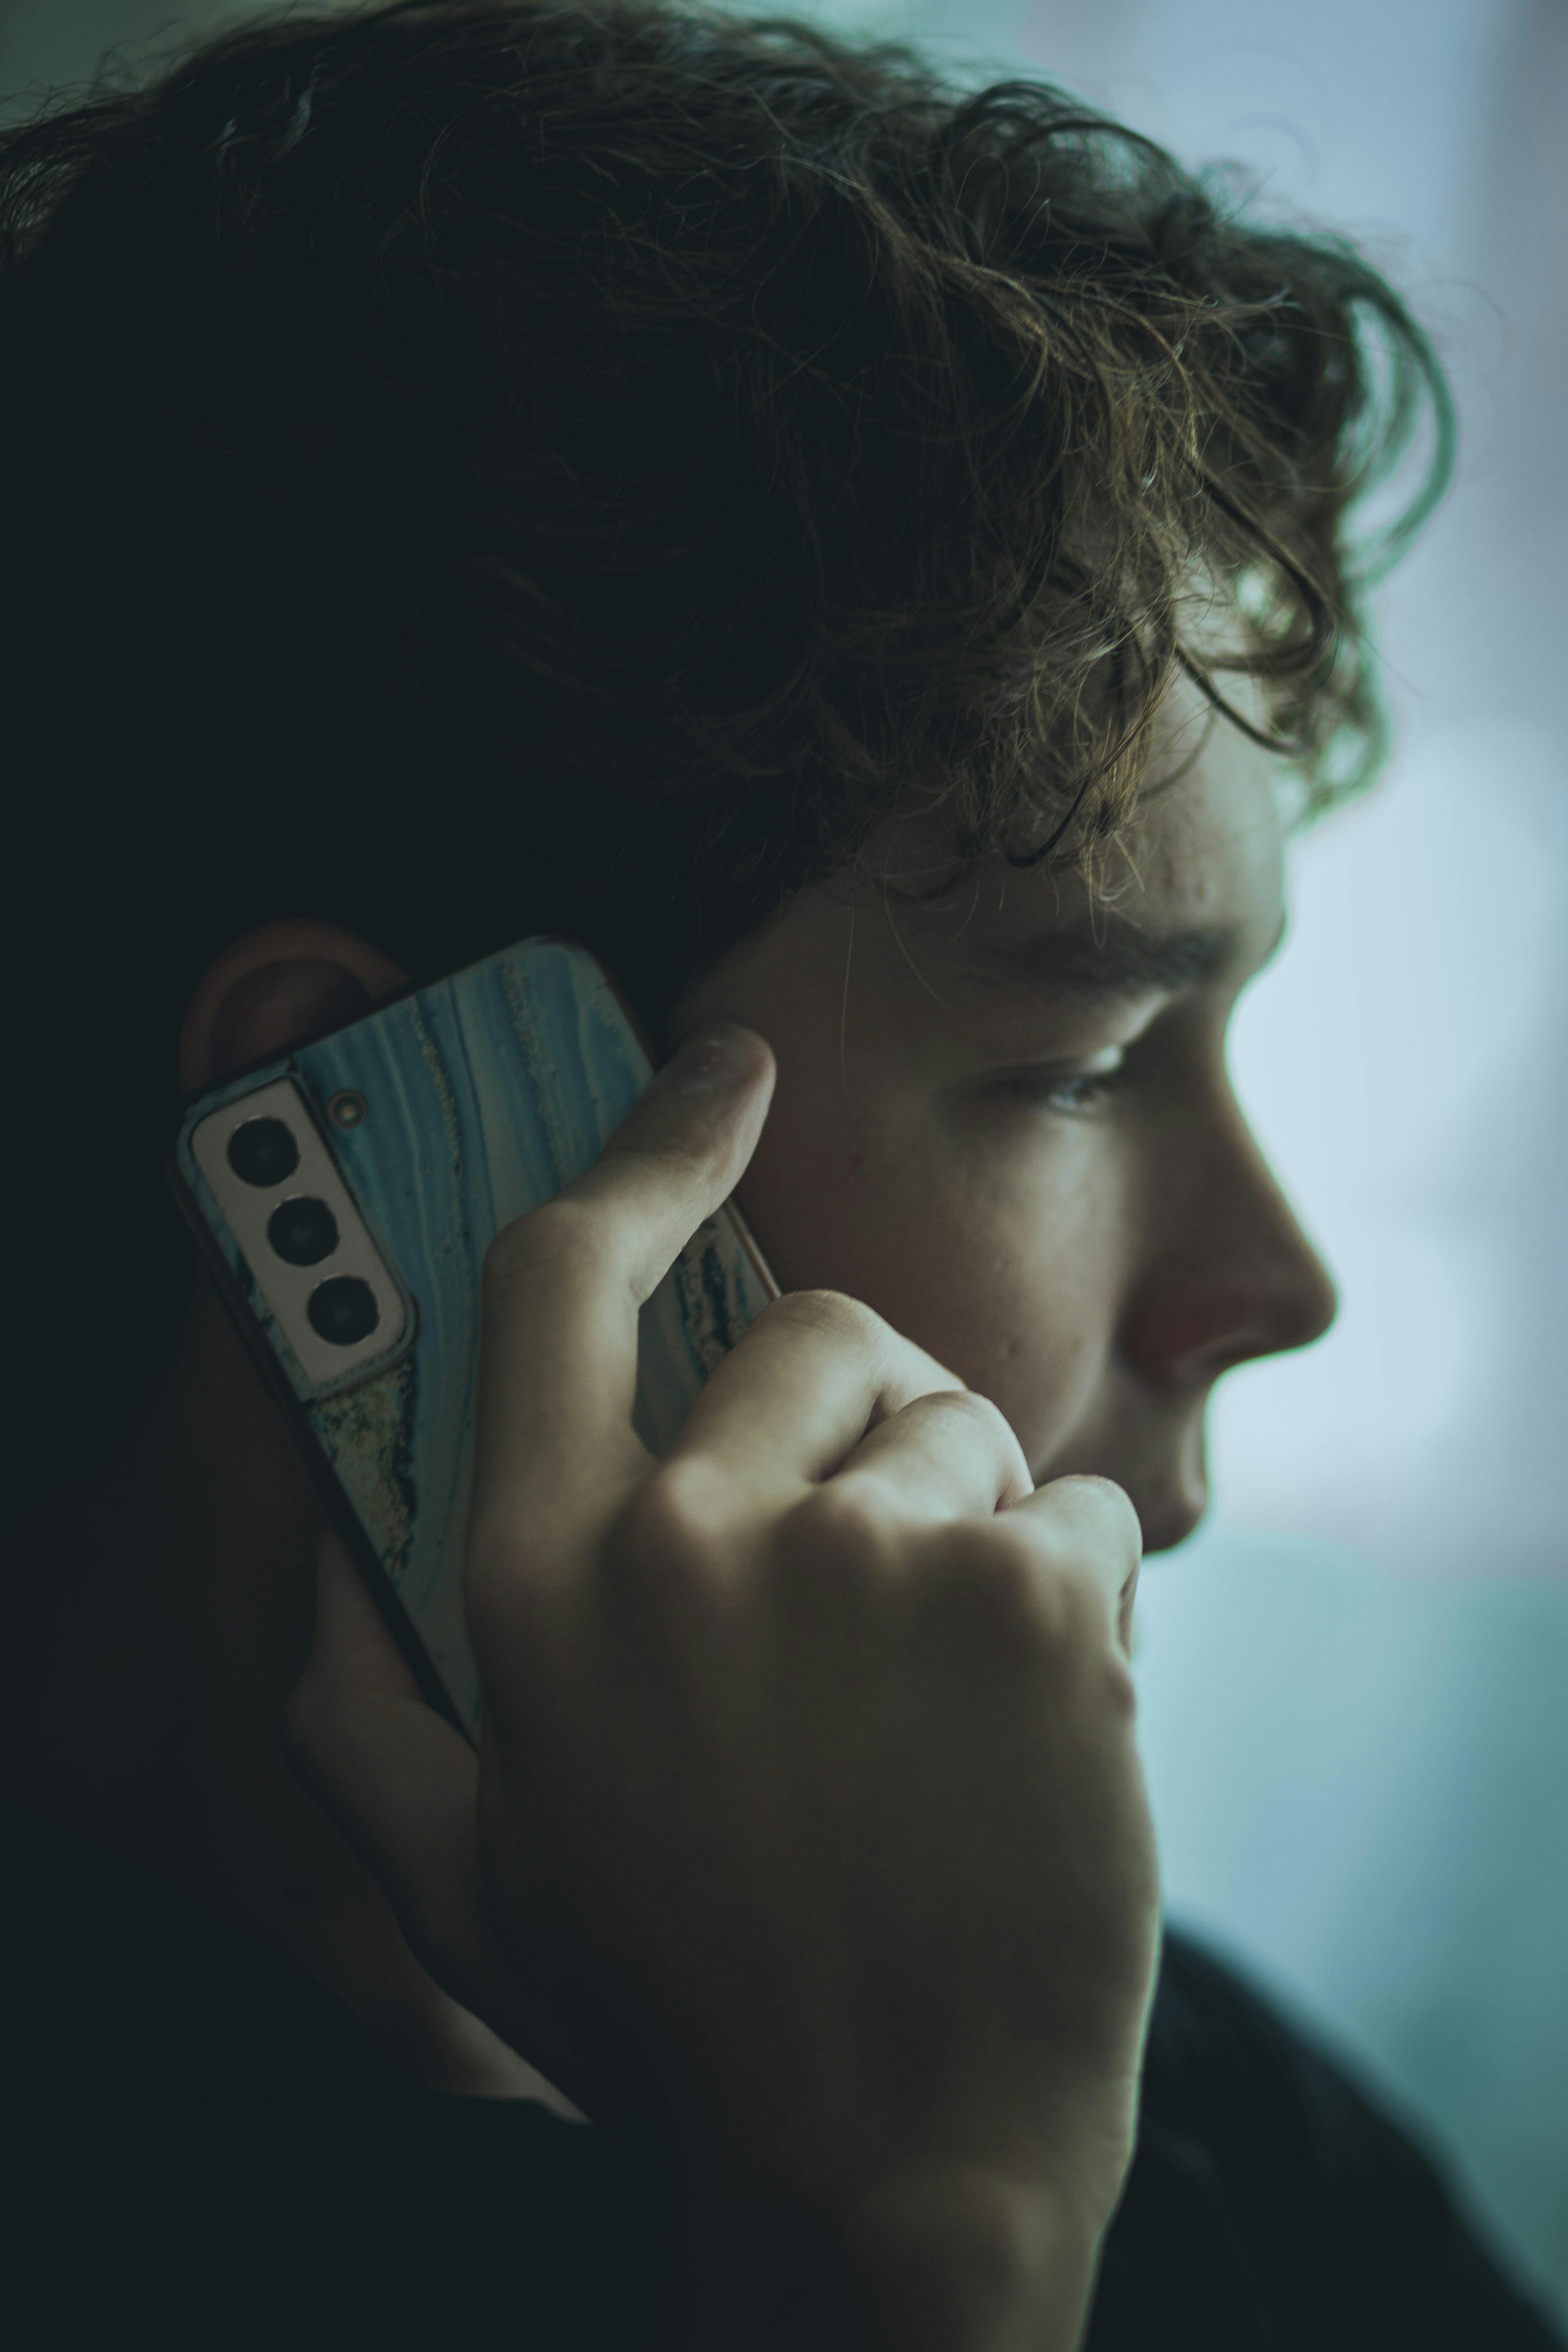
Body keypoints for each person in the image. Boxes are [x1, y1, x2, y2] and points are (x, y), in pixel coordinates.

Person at [1, 2, 1559, 2345]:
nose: (1284, 1278)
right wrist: (915, 2259)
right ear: (376, 1117)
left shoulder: (1205, 2125)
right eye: (1084, 1061)